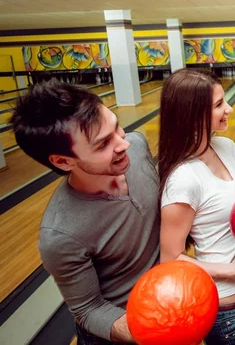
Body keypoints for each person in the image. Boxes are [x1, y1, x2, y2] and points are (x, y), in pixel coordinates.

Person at [11, 79, 160, 344]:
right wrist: (153, 333)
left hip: (167, 301)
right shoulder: (60, 234)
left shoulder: (136, 147)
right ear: (63, 161)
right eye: (103, 145)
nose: (122, 143)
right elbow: (89, 309)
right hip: (123, 328)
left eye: (116, 126)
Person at [158, 69, 235, 345]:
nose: (229, 108)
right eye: (219, 104)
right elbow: (171, 259)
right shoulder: (184, 179)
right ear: (193, 113)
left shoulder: (225, 147)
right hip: (226, 309)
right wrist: (232, 271)